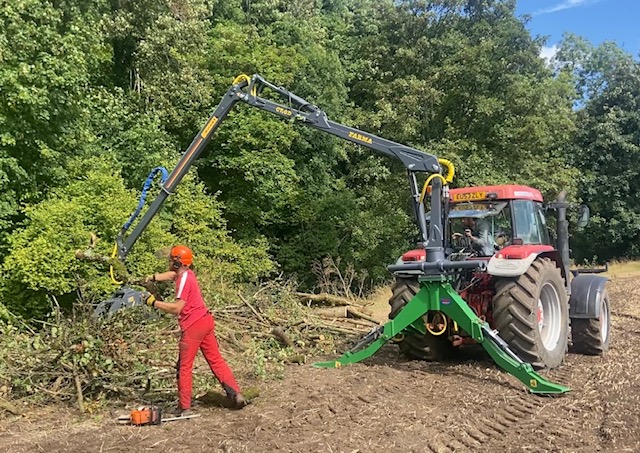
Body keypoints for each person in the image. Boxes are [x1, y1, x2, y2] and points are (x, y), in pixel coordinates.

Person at [143, 245, 246, 414]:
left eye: (171, 260)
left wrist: (153, 302)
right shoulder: (187, 273)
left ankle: (184, 407)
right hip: (205, 320)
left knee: (184, 366)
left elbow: (177, 308)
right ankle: (235, 394)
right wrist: (152, 277)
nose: (168, 262)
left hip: (193, 326)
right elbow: (171, 275)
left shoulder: (184, 281)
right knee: (215, 360)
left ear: (177, 263)